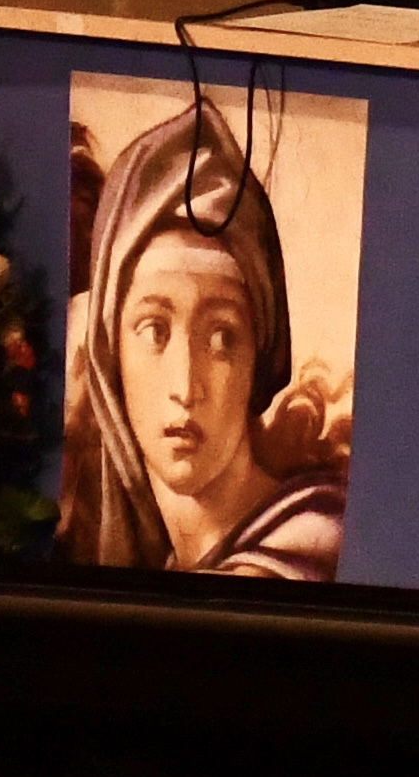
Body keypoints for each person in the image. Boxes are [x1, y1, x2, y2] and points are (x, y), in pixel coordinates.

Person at [60, 98, 349, 576]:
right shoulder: (172, 565)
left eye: (221, 339)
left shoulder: (310, 541)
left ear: (259, 356)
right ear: (110, 353)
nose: (185, 386)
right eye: (154, 330)